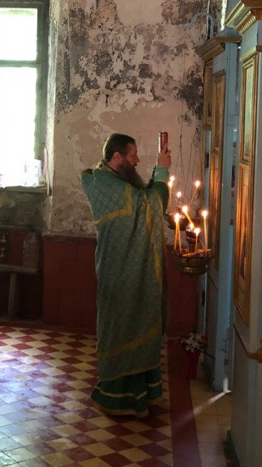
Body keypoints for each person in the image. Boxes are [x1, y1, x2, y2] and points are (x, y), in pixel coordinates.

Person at [81, 133, 171, 418]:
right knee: (121, 325)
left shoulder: (116, 180)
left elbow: (144, 201)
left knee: (138, 319)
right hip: (118, 270)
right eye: (132, 155)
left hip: (129, 266)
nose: (137, 160)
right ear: (117, 156)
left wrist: (158, 173)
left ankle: (141, 393)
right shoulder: (105, 183)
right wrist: (163, 171)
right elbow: (149, 205)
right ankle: (116, 397)